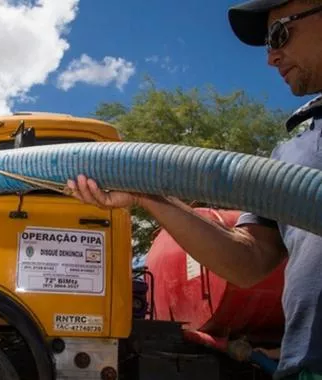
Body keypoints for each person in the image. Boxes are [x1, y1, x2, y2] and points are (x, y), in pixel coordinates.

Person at [66, 0, 322, 379]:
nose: (272, 56)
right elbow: (249, 261)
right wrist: (147, 194)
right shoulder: (293, 151)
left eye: (279, 33)